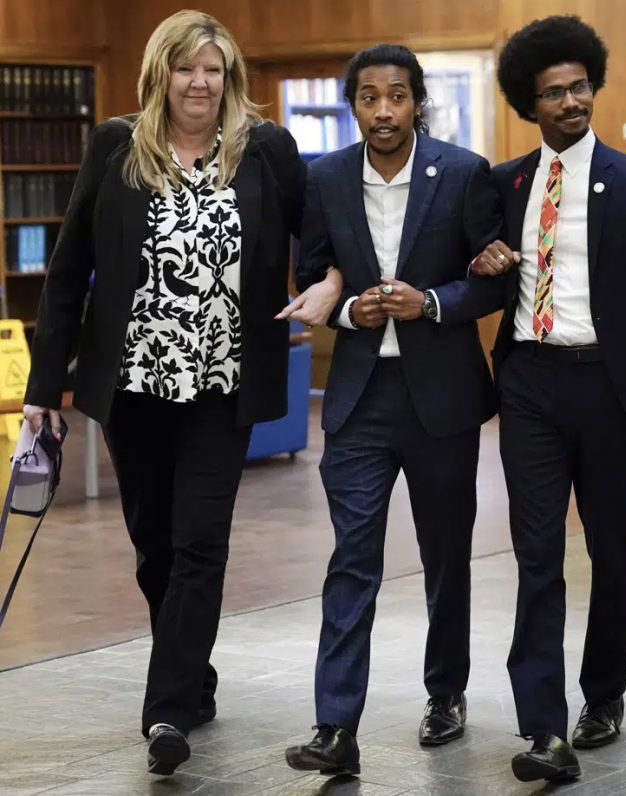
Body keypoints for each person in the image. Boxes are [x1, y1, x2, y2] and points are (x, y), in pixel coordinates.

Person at [22, 9, 340, 778]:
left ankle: (166, 710)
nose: (200, 82)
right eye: (185, 67)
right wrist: (43, 388)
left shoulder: (265, 149)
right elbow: (68, 275)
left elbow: (318, 228)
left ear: (228, 77)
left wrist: (331, 279)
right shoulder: (115, 145)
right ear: (159, 72)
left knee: (201, 541)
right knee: (155, 547)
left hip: (220, 387)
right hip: (132, 387)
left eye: (213, 69)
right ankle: (192, 679)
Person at [470, 15, 626, 784]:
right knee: (537, 555)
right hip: (531, 383)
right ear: (528, 102)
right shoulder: (505, 182)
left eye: (579, 87)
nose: (571, 101)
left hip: (609, 387)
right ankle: (542, 729)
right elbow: (479, 274)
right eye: (553, 92)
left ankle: (601, 697)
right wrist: (486, 260)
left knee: (611, 546)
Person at [283, 44, 504, 776]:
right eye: (370, 97)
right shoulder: (324, 178)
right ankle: (335, 727)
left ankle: (446, 693)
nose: (384, 111)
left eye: (398, 96)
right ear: (354, 104)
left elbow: (492, 281)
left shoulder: (464, 172)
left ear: (417, 103)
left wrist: (432, 301)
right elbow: (314, 273)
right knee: (353, 559)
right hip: (358, 402)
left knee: (445, 558)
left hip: (442, 400)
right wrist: (350, 309)